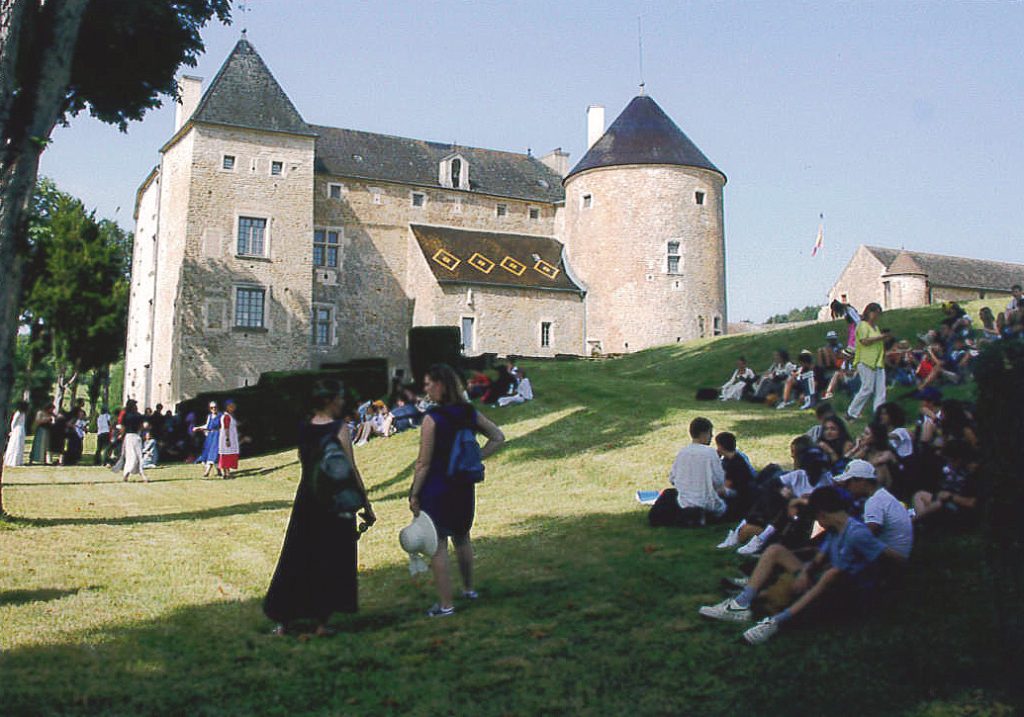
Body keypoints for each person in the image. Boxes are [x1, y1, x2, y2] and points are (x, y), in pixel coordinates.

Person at [699, 486, 907, 645]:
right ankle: (740, 604)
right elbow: (819, 558)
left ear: (824, 514)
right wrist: (805, 572)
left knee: (832, 573)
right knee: (775, 551)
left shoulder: (857, 534)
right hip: (821, 581)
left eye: (817, 516)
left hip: (844, 590)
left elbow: (890, 557)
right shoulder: (836, 530)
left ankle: (776, 622)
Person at [264, 379, 376, 637]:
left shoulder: (304, 429)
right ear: (328, 401)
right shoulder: (339, 429)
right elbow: (350, 469)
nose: (341, 402)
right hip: (333, 501)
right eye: (338, 398)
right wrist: (366, 506)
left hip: (307, 499)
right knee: (330, 558)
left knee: (298, 555)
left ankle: (285, 619)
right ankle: (321, 622)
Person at [408, 363, 505, 617]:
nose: (426, 388)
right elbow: (497, 436)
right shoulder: (468, 413)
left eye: (429, 383)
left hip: (437, 487)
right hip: (463, 486)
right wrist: (476, 458)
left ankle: (445, 605)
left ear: (441, 385)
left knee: (438, 546)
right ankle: (469, 589)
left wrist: (414, 493)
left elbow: (423, 462)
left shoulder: (432, 419)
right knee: (462, 537)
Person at [832, 459, 913, 559]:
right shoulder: (881, 495)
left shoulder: (874, 501)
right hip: (899, 552)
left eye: (848, 483)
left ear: (861, 480)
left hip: (893, 559)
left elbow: (866, 535)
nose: (846, 487)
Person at [846, 303, 887, 422]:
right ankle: (852, 412)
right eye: (876, 313)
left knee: (881, 390)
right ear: (869, 312)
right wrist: (881, 337)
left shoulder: (876, 327)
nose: (876, 316)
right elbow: (864, 341)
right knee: (867, 388)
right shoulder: (862, 326)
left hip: (877, 361)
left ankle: (878, 414)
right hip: (865, 360)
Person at [115, 399, 147, 483]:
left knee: (130, 456)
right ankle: (140, 474)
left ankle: (127, 474)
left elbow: (123, 427)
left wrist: (121, 435)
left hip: (128, 437)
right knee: (138, 456)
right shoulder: (138, 415)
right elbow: (142, 426)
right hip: (135, 436)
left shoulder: (125, 415)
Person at [193, 401, 222, 477]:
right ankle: (218, 470)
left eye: (215, 407)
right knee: (209, 452)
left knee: (214, 452)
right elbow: (207, 426)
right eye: (211, 408)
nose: (213, 409)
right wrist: (198, 428)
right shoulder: (209, 416)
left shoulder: (221, 416)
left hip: (217, 436)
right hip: (210, 436)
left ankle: (207, 472)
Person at [218, 399, 240, 479]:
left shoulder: (229, 416)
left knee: (228, 455)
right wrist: (227, 439)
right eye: (231, 406)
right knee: (226, 455)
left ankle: (226, 473)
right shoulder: (226, 416)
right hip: (227, 438)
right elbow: (226, 428)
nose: (233, 408)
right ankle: (226, 473)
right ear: (227, 407)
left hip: (230, 437)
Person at [3, 401, 28, 468]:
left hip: (21, 429)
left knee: (20, 444)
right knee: (15, 444)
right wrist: (12, 430)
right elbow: (13, 423)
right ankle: (12, 461)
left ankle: (19, 461)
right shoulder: (18, 413)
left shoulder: (23, 413)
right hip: (17, 429)